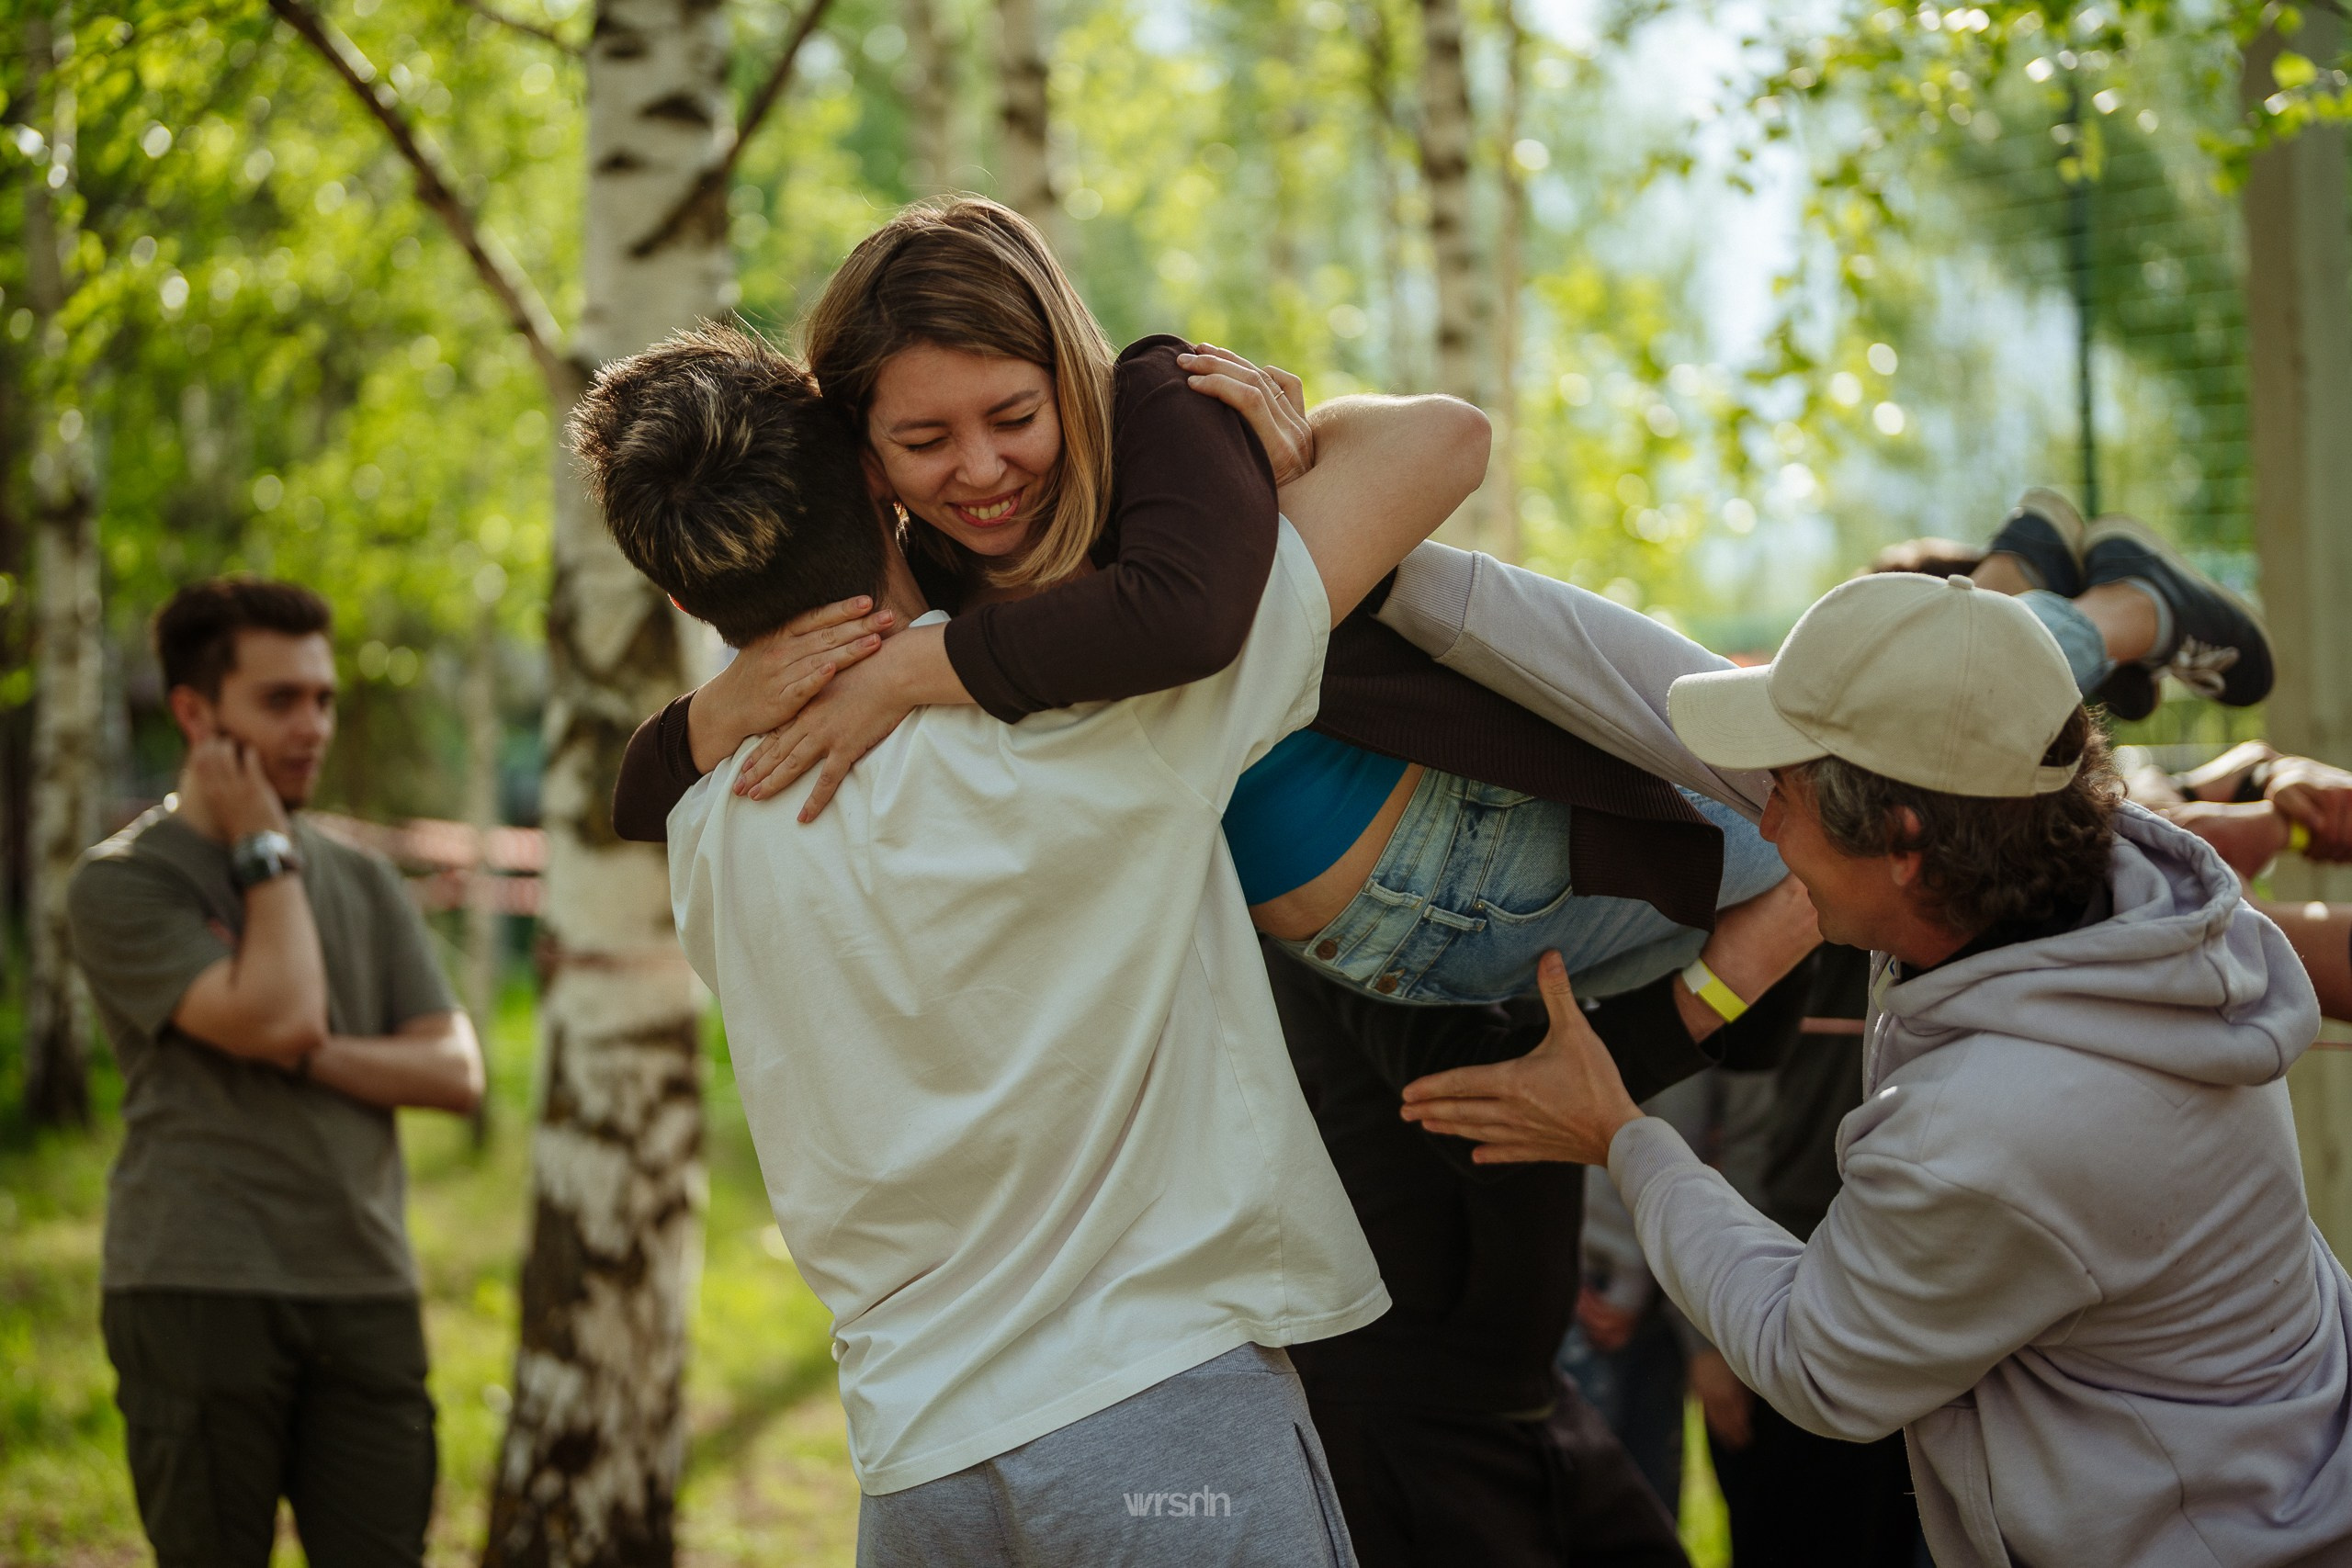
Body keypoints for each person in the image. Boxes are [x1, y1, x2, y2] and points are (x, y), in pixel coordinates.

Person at [574, 320, 1489, 1562]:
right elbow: (1440, 443)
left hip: (915, 1465)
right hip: (1160, 1421)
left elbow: (652, 780)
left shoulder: (704, 825)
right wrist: (1228, 426)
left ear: (682, 595)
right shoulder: (1099, 718)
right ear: (878, 475)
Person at [613, 196, 1818, 1038]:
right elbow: (635, 804)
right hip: (1374, 965)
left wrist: (907, 673)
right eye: (925, 440)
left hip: (1488, 848)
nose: (979, 469)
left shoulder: (1156, 407)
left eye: (1014, 417)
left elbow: (1186, 623)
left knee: (1839, 851)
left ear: (1068, 373)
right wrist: (717, 709)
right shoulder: (920, 568)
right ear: (864, 455)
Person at [1398, 570, 2352, 1566]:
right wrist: (1390, 578)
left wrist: (1623, 1138)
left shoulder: (1988, 1131)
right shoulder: (2097, 879)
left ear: (1901, 842)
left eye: (1785, 793)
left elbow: (1810, 1356)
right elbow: (1650, 695)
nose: (1764, 826)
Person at [66, 579, 484, 1568]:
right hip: (196, 1284)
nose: (313, 727)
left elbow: (453, 1069)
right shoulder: (124, 881)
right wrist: (262, 846)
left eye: (324, 698)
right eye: (280, 700)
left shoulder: (364, 878)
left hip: (364, 1284)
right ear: (194, 713)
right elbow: (285, 1006)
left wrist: (304, 1051)